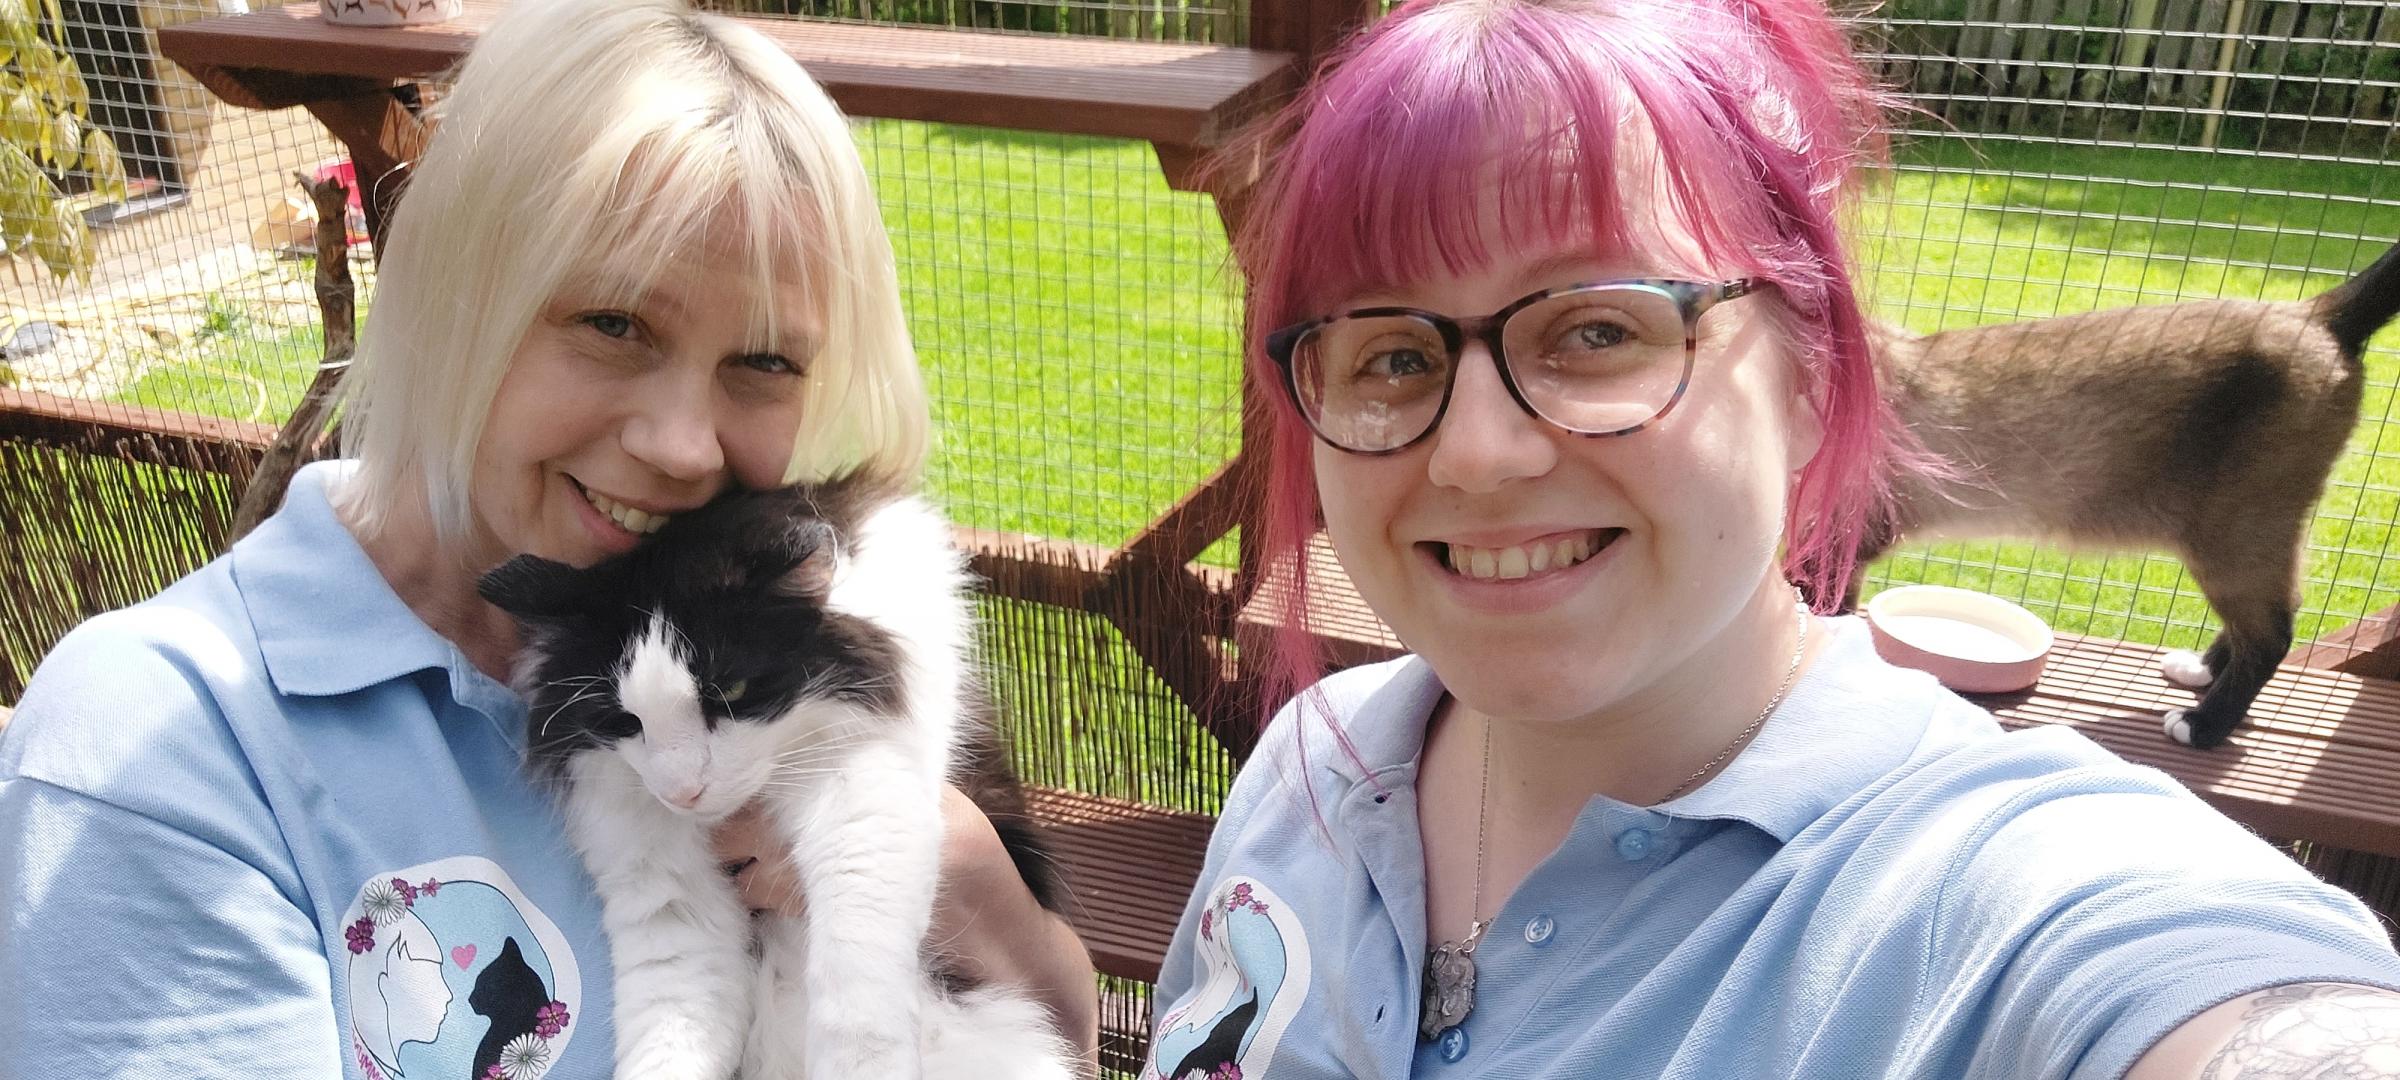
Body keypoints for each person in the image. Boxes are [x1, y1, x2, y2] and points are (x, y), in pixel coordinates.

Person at [1142, 0, 2400, 1076]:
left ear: (1813, 383)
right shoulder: (1309, 763)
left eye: (1599, 329)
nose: (1476, 453)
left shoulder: (2003, 888)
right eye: (1395, 354)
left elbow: (2221, 998)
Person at [0, 0, 1095, 1072]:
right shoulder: (164, 752)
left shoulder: (770, 623)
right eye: (613, 323)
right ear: (456, 294)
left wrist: (967, 884)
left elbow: (1069, 1034)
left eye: (765, 362)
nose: (681, 447)